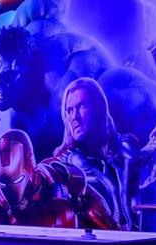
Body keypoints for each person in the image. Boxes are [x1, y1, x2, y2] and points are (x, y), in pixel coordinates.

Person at [0, 129, 112, 229]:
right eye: (4, 183)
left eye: (17, 180)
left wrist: (112, 228)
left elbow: (94, 205)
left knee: (66, 212)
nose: (12, 188)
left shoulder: (56, 176)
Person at [43, 77, 135, 229]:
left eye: (81, 106)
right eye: (69, 110)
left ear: (98, 109)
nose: (74, 117)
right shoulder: (61, 165)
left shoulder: (122, 152)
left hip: (133, 241)